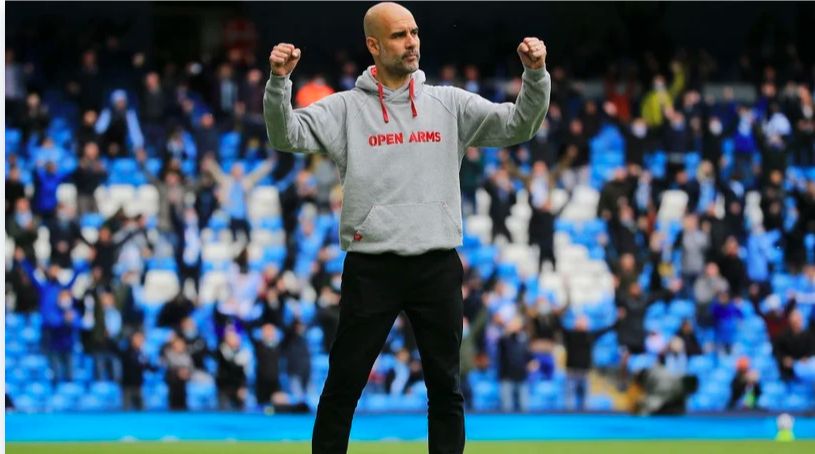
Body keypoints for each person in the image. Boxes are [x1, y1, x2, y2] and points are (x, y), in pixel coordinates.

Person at [263, 2, 550, 452]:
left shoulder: (448, 103)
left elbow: (518, 124)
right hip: (371, 266)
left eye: (414, 32)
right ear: (373, 45)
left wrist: (535, 76)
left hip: (436, 264)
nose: (412, 41)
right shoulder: (343, 109)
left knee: (445, 389)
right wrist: (279, 83)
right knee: (343, 387)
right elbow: (286, 136)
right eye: (399, 35)